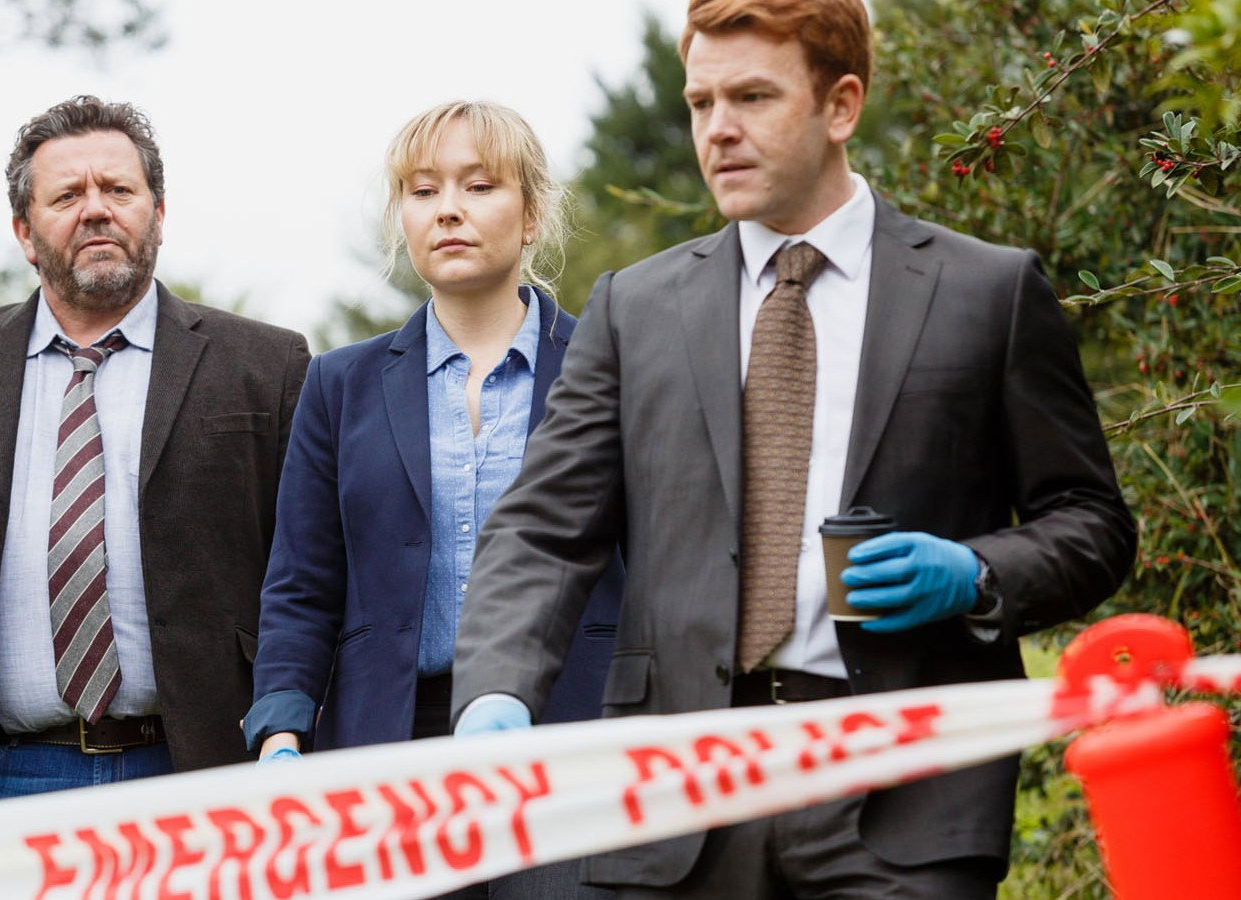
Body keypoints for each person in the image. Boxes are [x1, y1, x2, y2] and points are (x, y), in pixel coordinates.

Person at [449, 1, 1135, 897]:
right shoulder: (634, 307)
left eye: (752, 97)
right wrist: (496, 691)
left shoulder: (986, 293)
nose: (718, 130)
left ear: (840, 105)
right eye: (700, 103)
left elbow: (1092, 523)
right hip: (676, 796)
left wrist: (975, 573)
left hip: (907, 797)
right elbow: (542, 530)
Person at [0, 95, 310, 810]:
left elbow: (318, 563)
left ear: (159, 214)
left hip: (204, 767)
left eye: (119, 190)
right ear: (25, 231)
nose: (96, 210)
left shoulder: (264, 363)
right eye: (68, 195)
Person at [241, 100, 621, 898]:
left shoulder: (608, 366)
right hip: (387, 758)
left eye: (479, 185)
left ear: (532, 214)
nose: (448, 208)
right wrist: (280, 733)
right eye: (422, 191)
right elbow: (302, 585)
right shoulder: (338, 385)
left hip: (572, 746)